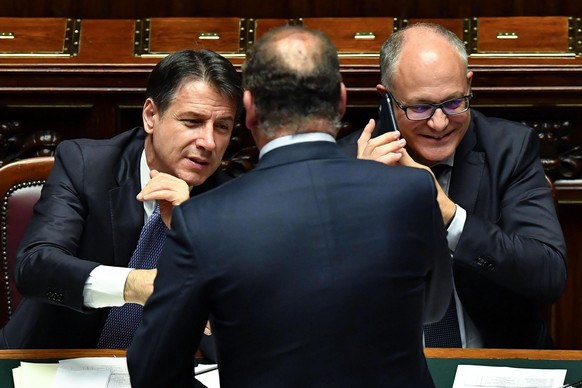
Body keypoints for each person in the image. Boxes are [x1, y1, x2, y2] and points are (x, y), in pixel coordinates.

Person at [128, 25, 453, 388]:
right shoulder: (413, 191)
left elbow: (153, 370)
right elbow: (434, 308)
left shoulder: (204, 219)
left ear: (249, 111)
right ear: (341, 102)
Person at [339, 22, 567, 349]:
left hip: (494, 366)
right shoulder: (343, 163)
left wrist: (450, 216)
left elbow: (548, 274)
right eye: (420, 108)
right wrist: (355, 205)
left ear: (469, 85)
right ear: (386, 100)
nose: (440, 123)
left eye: (453, 103)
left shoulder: (509, 148)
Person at [0, 49, 243, 355]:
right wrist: (133, 284)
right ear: (151, 116)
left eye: (222, 126)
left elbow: (243, 333)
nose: (209, 142)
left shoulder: (234, 201)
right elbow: (35, 267)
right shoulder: (86, 166)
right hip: (51, 360)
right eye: (193, 122)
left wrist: (193, 230)